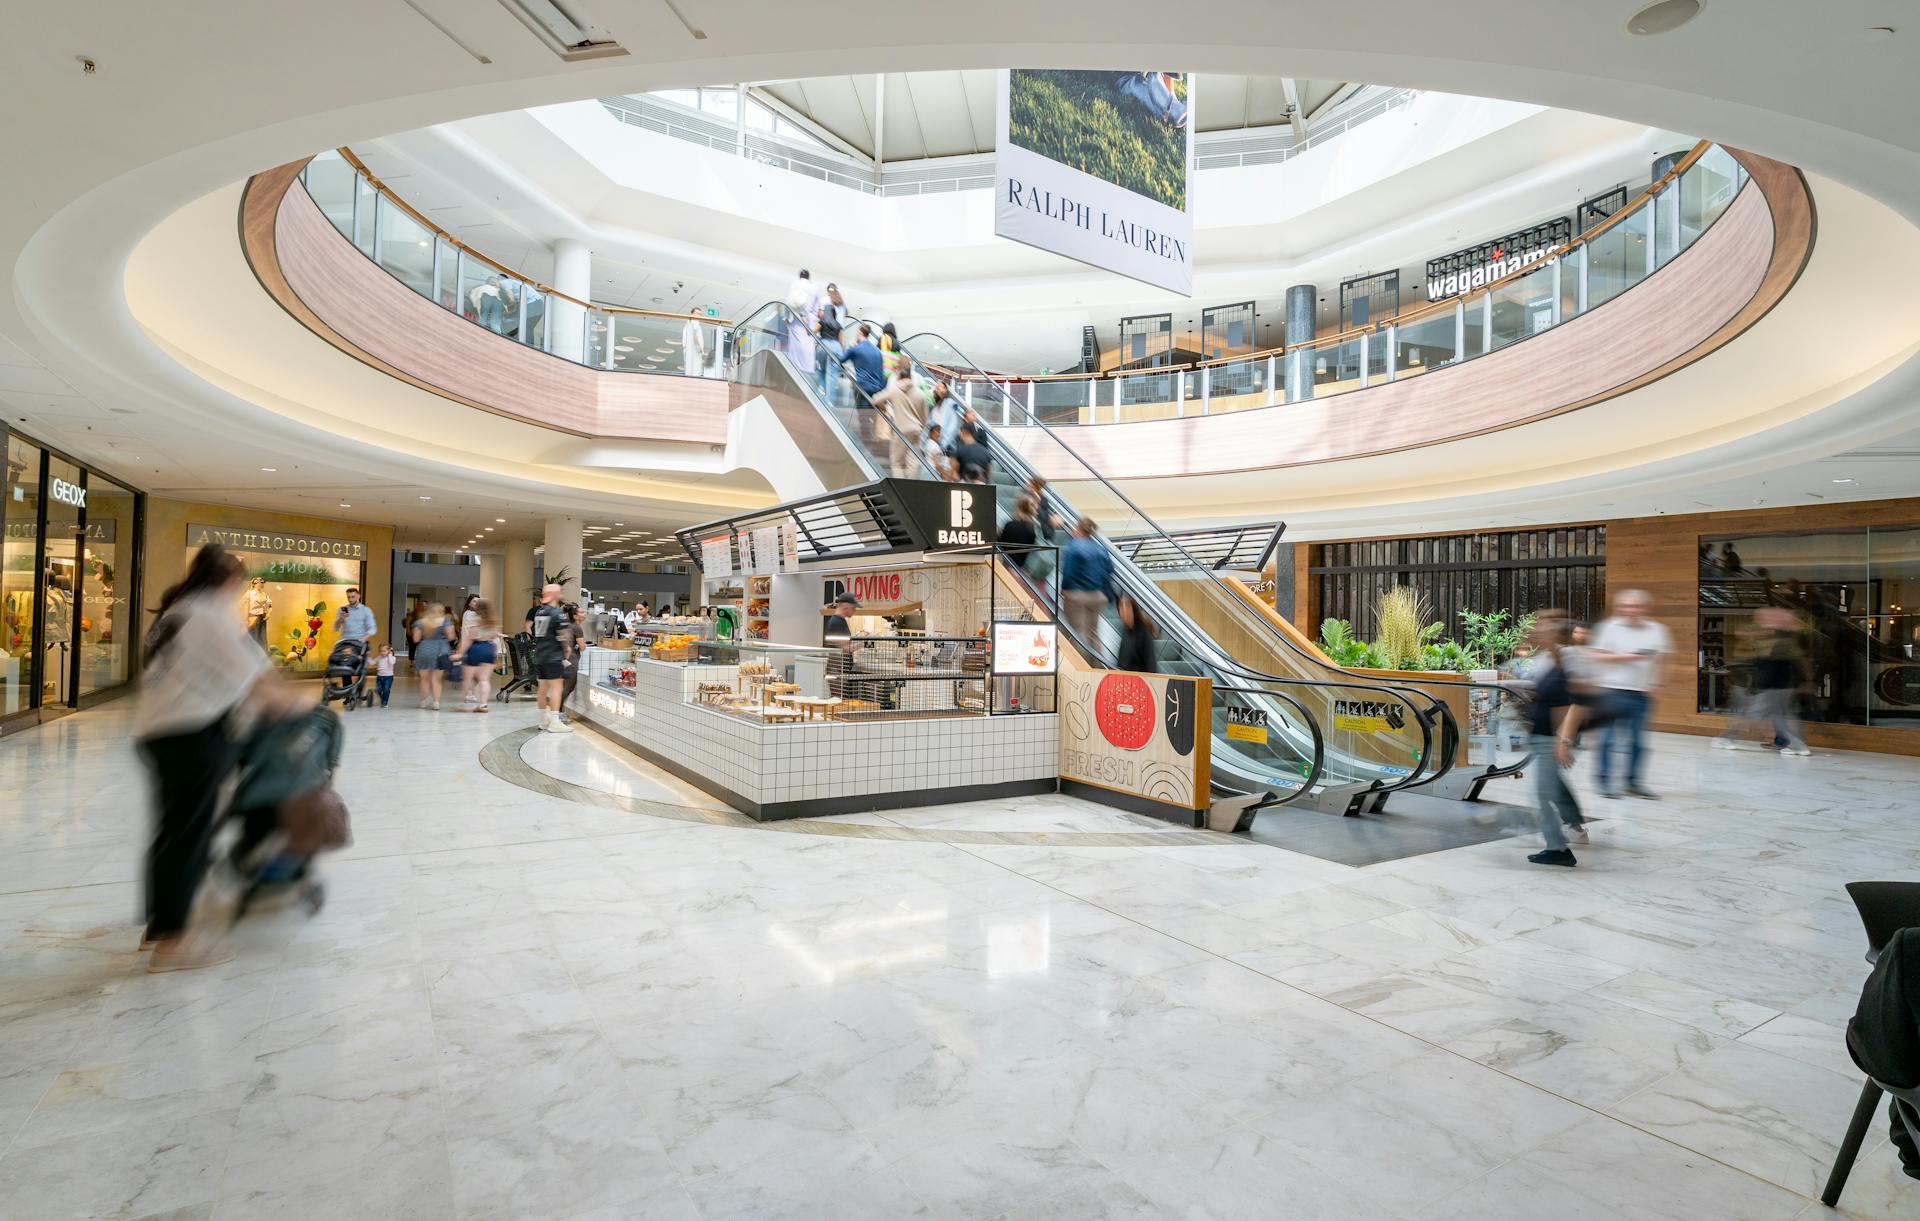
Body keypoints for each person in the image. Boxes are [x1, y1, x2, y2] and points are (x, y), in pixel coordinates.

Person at [134, 544, 304, 971]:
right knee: (191, 834)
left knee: (173, 831)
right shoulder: (209, 615)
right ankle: (173, 943)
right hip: (194, 733)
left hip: (157, 733)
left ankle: (161, 925)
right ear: (229, 581)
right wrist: (299, 708)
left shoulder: (175, 611)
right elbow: (256, 680)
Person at [1516, 617, 1587, 866]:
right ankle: (1576, 825)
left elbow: (1571, 705)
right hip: (1541, 736)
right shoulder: (1547, 661)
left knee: (1542, 794)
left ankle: (1558, 848)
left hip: (1550, 739)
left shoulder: (1565, 663)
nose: (1537, 631)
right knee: (1554, 789)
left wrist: (1562, 741)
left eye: (1543, 629)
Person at [1588, 589, 1671, 798]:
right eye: (1625, 606)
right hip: (1610, 691)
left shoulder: (1657, 630)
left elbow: (1665, 659)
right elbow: (1596, 656)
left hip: (1641, 694)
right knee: (1607, 739)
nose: (1629, 610)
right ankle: (1605, 781)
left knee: (1638, 742)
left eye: (1634, 606)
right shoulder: (1608, 628)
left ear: (1645, 608)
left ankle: (1633, 783)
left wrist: (1659, 684)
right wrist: (1625, 657)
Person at [1715, 606, 1811, 754]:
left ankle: (1727, 738)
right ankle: (1796, 744)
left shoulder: (1781, 642)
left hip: (1772, 686)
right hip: (1771, 686)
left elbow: (1776, 666)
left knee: (1761, 714)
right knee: (1772, 714)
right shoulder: (1783, 641)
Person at [1060, 516, 1116, 648]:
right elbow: (1110, 569)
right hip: (1097, 596)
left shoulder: (1073, 545)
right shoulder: (1100, 548)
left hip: (1077, 595)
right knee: (1093, 633)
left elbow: (1068, 571)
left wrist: (1064, 590)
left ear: (1078, 528)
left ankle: (1080, 666)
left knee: (1079, 633)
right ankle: (1096, 666)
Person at [525, 583, 573, 733]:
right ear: (554, 595)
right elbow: (563, 634)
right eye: (560, 591)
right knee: (557, 687)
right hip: (553, 656)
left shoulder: (539, 612)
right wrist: (566, 648)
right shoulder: (557, 613)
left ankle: (544, 719)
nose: (562, 593)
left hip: (540, 655)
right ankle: (555, 721)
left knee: (542, 688)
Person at [453, 597, 501, 712]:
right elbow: (494, 637)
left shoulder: (475, 621)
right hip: (489, 649)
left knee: (468, 678)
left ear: (478, 608)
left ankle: (462, 702)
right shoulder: (494, 622)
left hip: (476, 649)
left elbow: (468, 639)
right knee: (484, 679)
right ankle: (483, 704)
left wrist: (459, 653)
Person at [411, 602, 453, 709]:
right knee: (436, 679)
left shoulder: (419, 623)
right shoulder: (446, 621)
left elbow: (415, 639)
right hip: (440, 650)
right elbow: (451, 637)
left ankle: (423, 701)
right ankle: (436, 702)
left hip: (424, 650)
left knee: (424, 679)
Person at [785, 268, 821, 374]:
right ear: (809, 277)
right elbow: (816, 307)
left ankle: (795, 367)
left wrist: (787, 317)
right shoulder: (815, 288)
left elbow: (789, 302)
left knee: (795, 342)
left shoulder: (795, 284)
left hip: (795, 317)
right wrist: (812, 316)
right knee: (808, 342)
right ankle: (808, 367)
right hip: (809, 319)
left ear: (799, 276)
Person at [816, 283, 848, 400]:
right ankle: (830, 400)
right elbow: (846, 313)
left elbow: (818, 316)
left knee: (821, 368)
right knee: (833, 374)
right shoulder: (842, 302)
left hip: (824, 342)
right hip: (837, 342)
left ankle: (821, 390)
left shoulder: (824, 300)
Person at [840, 323, 887, 400]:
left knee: (862, 411)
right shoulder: (877, 351)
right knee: (872, 411)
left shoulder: (856, 349)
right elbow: (881, 372)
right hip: (877, 389)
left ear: (860, 332)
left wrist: (850, 345)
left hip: (863, 388)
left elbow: (841, 359)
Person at [1115, 594, 1158, 672]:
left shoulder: (1143, 632)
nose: (1124, 611)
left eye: (1127, 607)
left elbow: (1150, 664)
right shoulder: (1125, 630)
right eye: (1121, 608)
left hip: (1139, 681)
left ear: (1133, 610)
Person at [1002, 496, 1040, 571]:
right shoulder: (1033, 529)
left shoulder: (1010, 525)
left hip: (1007, 564)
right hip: (1020, 568)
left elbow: (1002, 545)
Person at [243, 576, 272, 647]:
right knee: (253, 637)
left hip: (262, 618)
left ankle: (261, 654)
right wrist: (246, 619)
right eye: (261, 582)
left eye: (263, 582)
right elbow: (246, 606)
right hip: (253, 618)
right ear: (255, 583)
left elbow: (270, 605)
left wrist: (268, 614)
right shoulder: (249, 593)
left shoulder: (264, 594)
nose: (262, 584)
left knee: (262, 638)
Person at [681, 312, 710, 377]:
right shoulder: (694, 322)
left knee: (690, 369)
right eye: (697, 313)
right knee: (695, 370)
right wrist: (700, 347)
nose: (699, 315)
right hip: (694, 350)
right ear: (692, 314)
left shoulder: (688, 323)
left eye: (700, 314)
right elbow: (694, 333)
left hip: (690, 350)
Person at [373, 643, 397, 708]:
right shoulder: (379, 657)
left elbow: (392, 662)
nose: (382, 653)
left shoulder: (392, 658)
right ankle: (382, 698)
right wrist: (367, 658)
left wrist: (390, 655)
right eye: (380, 651)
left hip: (388, 677)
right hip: (379, 677)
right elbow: (372, 662)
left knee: (386, 689)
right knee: (378, 690)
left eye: (384, 651)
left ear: (388, 651)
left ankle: (384, 702)